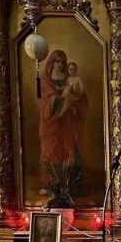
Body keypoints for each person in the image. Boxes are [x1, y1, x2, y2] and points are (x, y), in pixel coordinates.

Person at [38, 50, 88, 191]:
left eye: (62, 62)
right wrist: (59, 99)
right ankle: (51, 184)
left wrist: (74, 100)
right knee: (51, 151)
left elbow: (82, 97)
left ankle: (71, 185)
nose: (60, 64)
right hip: (51, 124)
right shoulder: (44, 80)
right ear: (51, 62)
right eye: (57, 61)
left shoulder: (69, 78)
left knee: (70, 150)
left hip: (67, 122)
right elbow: (42, 101)